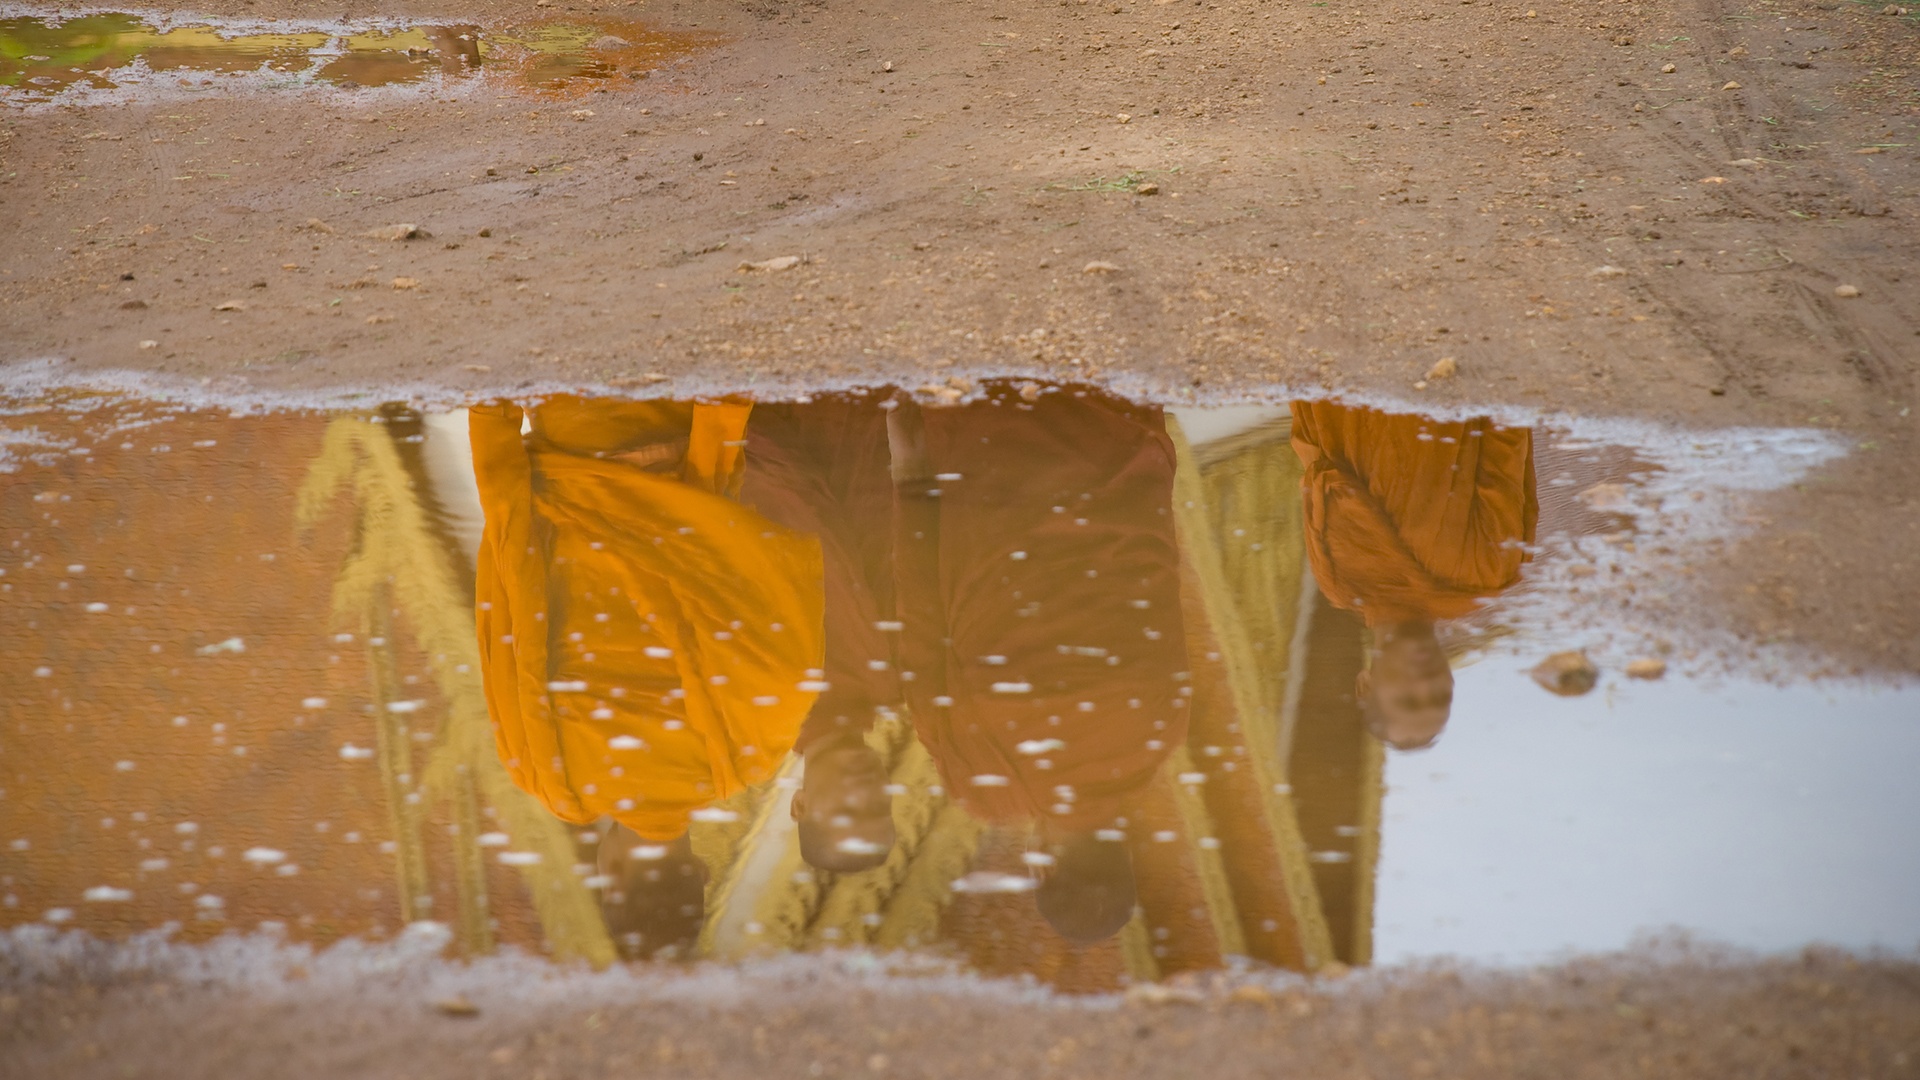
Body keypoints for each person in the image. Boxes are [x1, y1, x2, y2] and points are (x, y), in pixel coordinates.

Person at [469, 396, 827, 953]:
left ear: (701, 873)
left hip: (679, 426)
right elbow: (511, 590)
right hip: (569, 434)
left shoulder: (744, 756)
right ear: (609, 878)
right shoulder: (549, 775)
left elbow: (782, 621)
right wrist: (493, 418)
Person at [886, 385, 1191, 944]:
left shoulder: (1161, 732)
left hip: (1113, 445)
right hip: (986, 466)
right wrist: (911, 479)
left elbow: (1157, 563)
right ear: (1041, 864)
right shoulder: (982, 780)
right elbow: (923, 628)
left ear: (1124, 849)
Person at [1289, 401, 1537, 751]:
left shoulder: (1339, 582)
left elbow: (1313, 445)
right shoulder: (1487, 575)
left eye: (1408, 700)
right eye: (1439, 696)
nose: (1425, 683)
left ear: (1366, 685)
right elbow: (1505, 427)